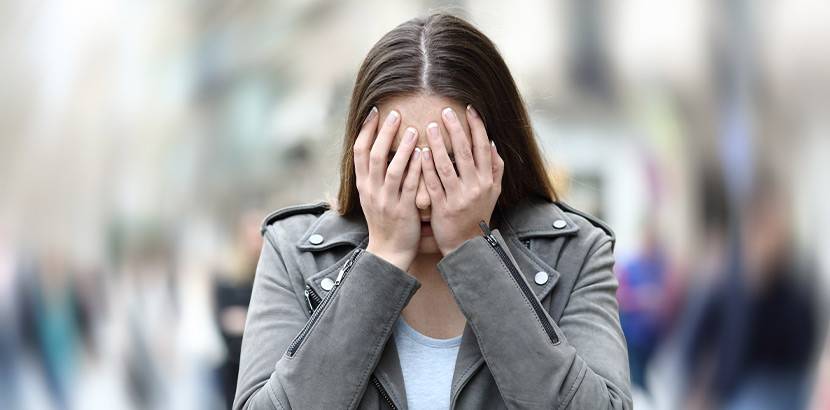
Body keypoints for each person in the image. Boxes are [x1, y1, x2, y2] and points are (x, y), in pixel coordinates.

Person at [234, 12, 631, 410]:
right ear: (361, 156)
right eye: (397, 163)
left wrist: (472, 248)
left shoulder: (577, 252)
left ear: (498, 154)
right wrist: (382, 257)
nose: (423, 197)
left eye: (452, 162)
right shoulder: (293, 252)